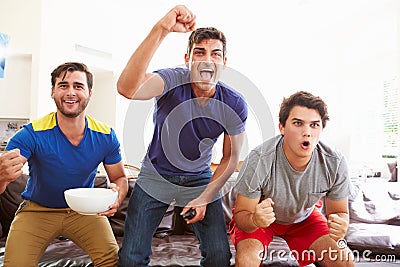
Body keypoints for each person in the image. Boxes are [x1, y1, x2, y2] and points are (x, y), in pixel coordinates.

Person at [116, 5, 248, 267]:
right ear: (187, 59)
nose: (207, 60)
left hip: (199, 178)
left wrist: (205, 196)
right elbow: (126, 88)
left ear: (224, 62)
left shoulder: (234, 103)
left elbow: (231, 157)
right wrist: (162, 28)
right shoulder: (172, 80)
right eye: (199, 52)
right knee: (131, 258)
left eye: (215, 54)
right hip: (155, 175)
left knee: (220, 256)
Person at [0, 62, 128, 267]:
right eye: (63, 85)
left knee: (112, 260)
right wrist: (1, 174)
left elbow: (120, 178)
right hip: (37, 211)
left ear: (89, 93)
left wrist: (117, 196)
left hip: (84, 212)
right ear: (53, 92)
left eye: (78, 86)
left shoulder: (105, 136)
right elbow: (3, 181)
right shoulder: (31, 134)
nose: (71, 92)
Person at [231, 91, 355, 267]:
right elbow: (242, 215)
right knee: (246, 261)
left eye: (314, 125)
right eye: (298, 123)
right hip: (260, 218)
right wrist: (254, 220)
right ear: (282, 127)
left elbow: (339, 213)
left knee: (345, 262)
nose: (307, 132)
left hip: (304, 218)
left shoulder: (334, 162)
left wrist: (341, 225)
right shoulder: (259, 158)